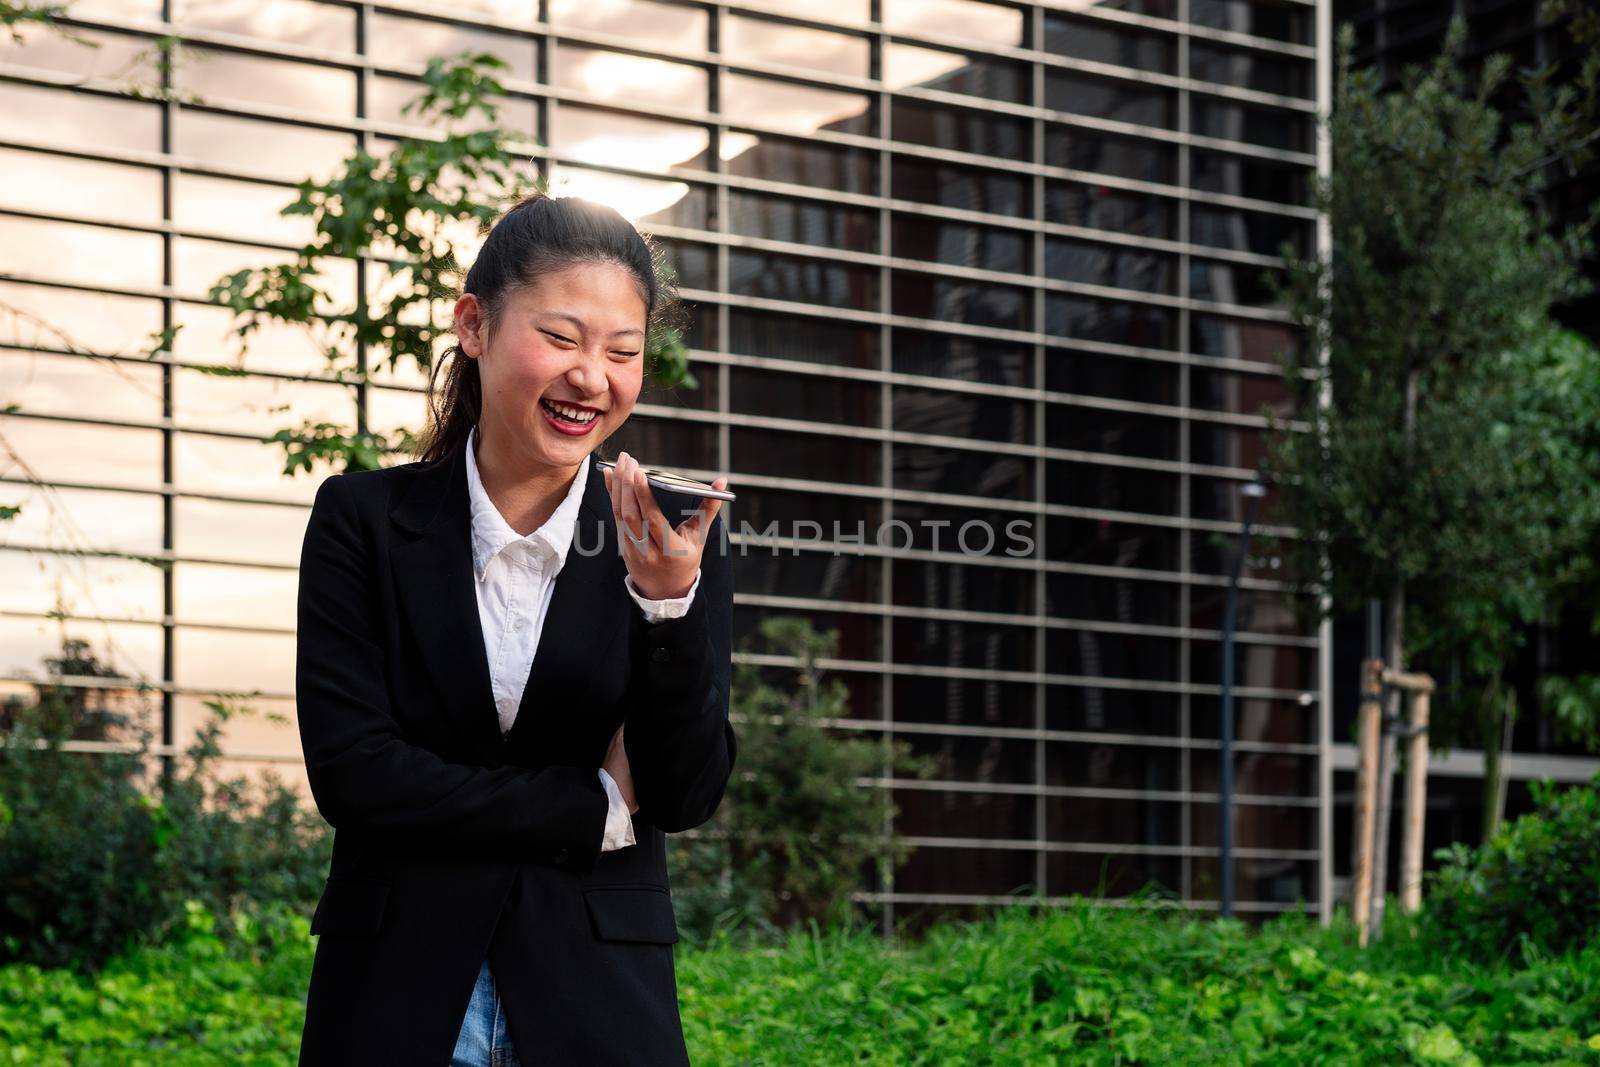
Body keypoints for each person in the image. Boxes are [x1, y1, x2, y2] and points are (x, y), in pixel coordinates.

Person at [293, 193, 735, 1065]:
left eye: (623, 351)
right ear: (474, 325)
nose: (592, 377)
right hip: (399, 994)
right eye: (562, 339)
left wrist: (665, 606)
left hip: (599, 1004)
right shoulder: (361, 521)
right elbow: (357, 775)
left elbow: (685, 793)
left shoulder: (667, 538)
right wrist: (593, 806)